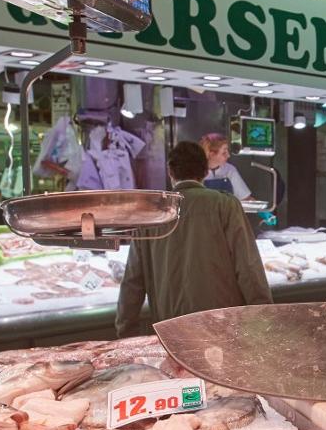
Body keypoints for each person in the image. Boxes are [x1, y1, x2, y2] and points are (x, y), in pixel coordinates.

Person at [116, 141, 271, 337]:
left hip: (171, 334)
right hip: (223, 330)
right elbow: (249, 268)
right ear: (206, 171)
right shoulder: (225, 205)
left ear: (170, 172)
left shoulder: (150, 213)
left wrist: (125, 332)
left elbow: (132, 281)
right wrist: (265, 322)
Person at [200, 132, 252, 201]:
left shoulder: (230, 170)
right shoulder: (193, 172)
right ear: (211, 155)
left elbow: (245, 199)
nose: (228, 156)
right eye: (224, 153)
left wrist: (260, 209)